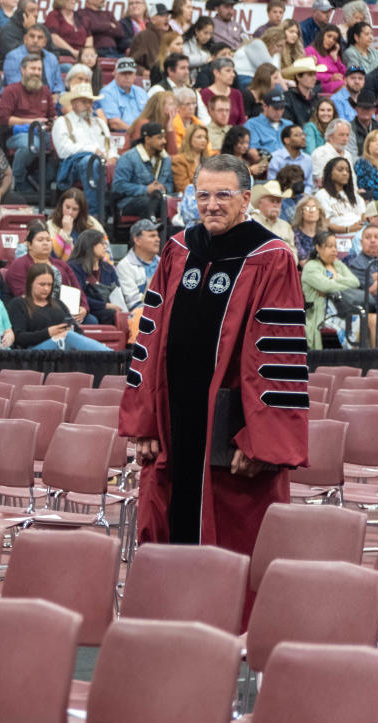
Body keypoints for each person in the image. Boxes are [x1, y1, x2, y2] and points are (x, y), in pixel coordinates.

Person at [120, 153, 306, 611]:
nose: (212, 204)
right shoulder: (180, 248)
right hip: (174, 427)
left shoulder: (272, 257)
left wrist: (257, 440)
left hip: (231, 440)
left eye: (223, 195)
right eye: (203, 195)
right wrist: (145, 423)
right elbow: (150, 337)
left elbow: (278, 356)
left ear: (247, 198)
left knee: (230, 564)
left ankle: (220, 661)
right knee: (168, 546)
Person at [51, 84, 116, 217]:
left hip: (103, 161)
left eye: (90, 102)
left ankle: (117, 210)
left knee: (126, 162)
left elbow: (111, 146)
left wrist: (113, 157)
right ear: (74, 103)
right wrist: (92, 150)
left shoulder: (100, 123)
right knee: (91, 163)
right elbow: (63, 150)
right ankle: (94, 213)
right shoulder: (63, 122)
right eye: (84, 101)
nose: (88, 105)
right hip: (74, 166)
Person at [0, 54, 56, 194]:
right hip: (18, 133)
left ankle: (41, 182)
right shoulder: (11, 90)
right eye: (32, 68)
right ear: (23, 70)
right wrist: (31, 122)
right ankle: (19, 180)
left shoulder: (45, 91)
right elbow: (4, 119)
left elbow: (52, 115)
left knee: (61, 147)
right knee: (32, 144)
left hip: (44, 132)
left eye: (39, 69)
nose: (36, 72)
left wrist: (55, 121)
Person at [302, 229, 360, 349]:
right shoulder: (311, 267)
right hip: (323, 313)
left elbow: (355, 282)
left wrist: (333, 281)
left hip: (344, 308)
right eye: (329, 246)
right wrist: (336, 282)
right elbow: (326, 286)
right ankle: (353, 357)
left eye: (335, 246)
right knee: (355, 323)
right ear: (318, 248)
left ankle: (367, 358)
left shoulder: (337, 264)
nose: (334, 250)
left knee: (370, 319)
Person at [47, 188, 107, 261]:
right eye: (67, 207)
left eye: (75, 209)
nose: (70, 212)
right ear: (61, 205)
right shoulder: (51, 224)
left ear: (81, 210)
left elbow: (105, 248)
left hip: (87, 266)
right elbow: (53, 255)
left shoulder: (92, 223)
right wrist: (65, 233)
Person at [316, 156, 365, 234]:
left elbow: (363, 216)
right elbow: (325, 223)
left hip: (358, 237)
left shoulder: (355, 196)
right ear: (330, 173)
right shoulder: (322, 195)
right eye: (340, 170)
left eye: (348, 171)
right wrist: (348, 229)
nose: (345, 173)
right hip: (337, 238)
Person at [97, 57, 148, 132]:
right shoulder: (107, 92)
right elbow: (114, 123)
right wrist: (135, 132)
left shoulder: (141, 92)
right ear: (115, 73)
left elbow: (150, 115)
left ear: (135, 75)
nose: (127, 77)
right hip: (122, 135)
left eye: (130, 73)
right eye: (123, 73)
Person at [266, 124, 314, 196]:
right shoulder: (276, 158)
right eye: (297, 135)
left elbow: (308, 185)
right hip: (280, 197)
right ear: (287, 140)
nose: (303, 137)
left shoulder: (308, 160)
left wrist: (305, 195)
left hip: (301, 197)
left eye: (303, 134)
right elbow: (272, 183)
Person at [244, 91, 293, 156]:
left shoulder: (289, 124)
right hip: (267, 162)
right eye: (275, 108)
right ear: (265, 106)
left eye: (282, 108)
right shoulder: (252, 124)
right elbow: (252, 152)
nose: (279, 112)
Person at [282, 56, 323, 127]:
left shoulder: (318, 99)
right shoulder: (288, 98)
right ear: (298, 76)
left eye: (314, 74)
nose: (314, 78)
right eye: (310, 75)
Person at [251, 180, 295, 248]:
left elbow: (293, 253)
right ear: (260, 202)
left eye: (278, 201)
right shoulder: (251, 223)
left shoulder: (286, 226)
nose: (275, 205)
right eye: (272, 201)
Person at [172, 122, 209, 192]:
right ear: (189, 139)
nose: (203, 140)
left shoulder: (209, 161)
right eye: (199, 137)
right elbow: (184, 188)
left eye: (205, 137)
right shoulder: (179, 160)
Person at [292, 195, 327, 265]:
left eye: (314, 208)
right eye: (307, 208)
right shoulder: (295, 233)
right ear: (301, 212)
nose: (311, 211)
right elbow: (303, 262)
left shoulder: (324, 233)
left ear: (319, 212)